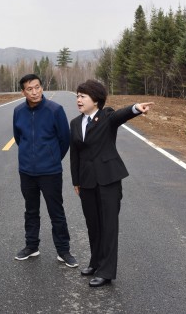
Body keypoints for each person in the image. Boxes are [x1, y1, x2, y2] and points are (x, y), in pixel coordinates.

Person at [69, 79, 153, 287]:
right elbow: (75, 155)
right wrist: (76, 181)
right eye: (77, 96)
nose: (79, 100)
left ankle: (106, 271)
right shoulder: (75, 123)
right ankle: (95, 263)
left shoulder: (106, 116)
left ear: (96, 100)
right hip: (87, 181)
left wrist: (136, 108)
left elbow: (120, 115)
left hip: (108, 180)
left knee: (108, 225)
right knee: (93, 224)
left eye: (83, 96)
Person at [12, 74, 78, 268]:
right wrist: (28, 156)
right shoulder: (18, 111)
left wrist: (52, 158)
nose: (35, 92)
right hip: (26, 172)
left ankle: (63, 251)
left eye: (37, 87)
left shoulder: (55, 110)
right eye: (30, 89)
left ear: (42, 87)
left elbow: (64, 139)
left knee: (56, 211)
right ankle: (31, 246)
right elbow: (19, 138)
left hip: (50, 172)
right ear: (23, 92)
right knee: (31, 210)